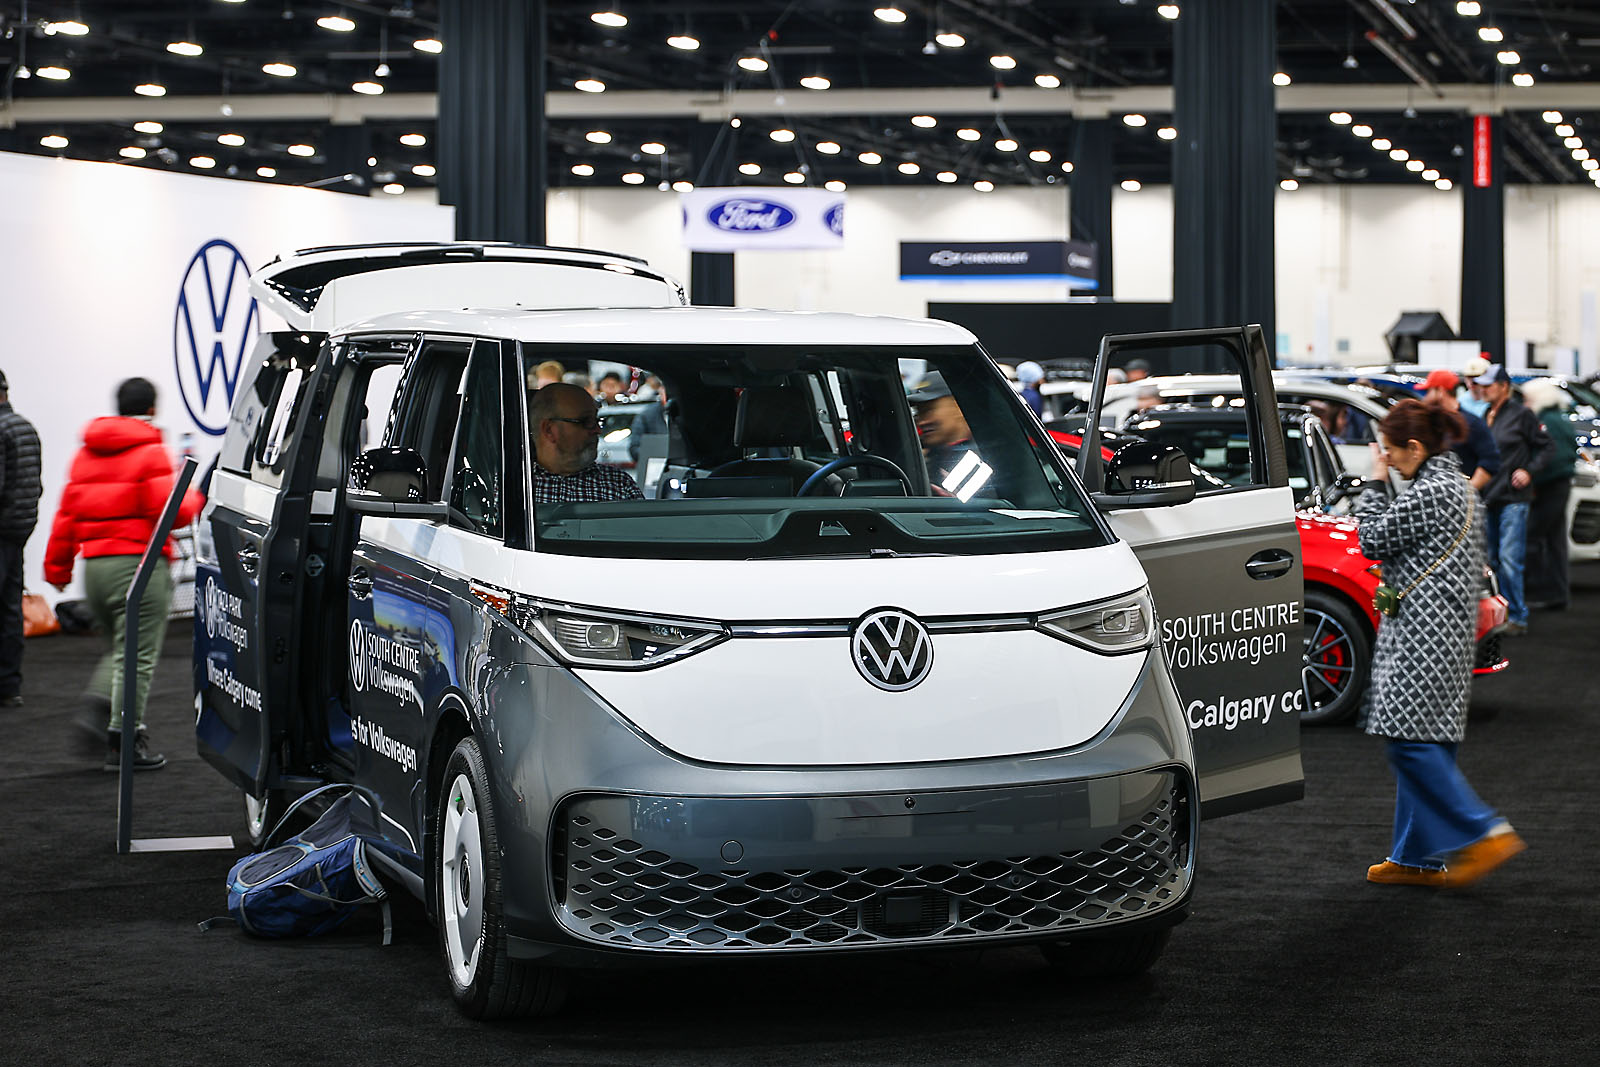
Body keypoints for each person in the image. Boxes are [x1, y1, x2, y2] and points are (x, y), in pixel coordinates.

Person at [1356, 399, 1525, 888]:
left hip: (1421, 638)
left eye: (1392, 452)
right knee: (1429, 740)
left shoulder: (1433, 491)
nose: (1387, 460)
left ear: (1415, 447)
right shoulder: (1459, 487)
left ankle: (1483, 831)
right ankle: (1416, 858)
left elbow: (1372, 538)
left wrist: (1373, 483)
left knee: (1409, 744)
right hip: (1446, 634)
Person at [43, 378, 203, 771]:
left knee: (120, 651)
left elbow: (66, 516)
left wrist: (57, 568)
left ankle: (101, 706)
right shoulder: (150, 450)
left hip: (95, 570)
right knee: (138, 656)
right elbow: (172, 512)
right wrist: (196, 494)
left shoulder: (85, 454)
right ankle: (123, 741)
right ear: (151, 409)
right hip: (138, 567)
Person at [1476, 364, 1552, 635]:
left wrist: (1529, 471)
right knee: (1494, 560)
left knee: (1509, 560)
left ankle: (1517, 616)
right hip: (1491, 497)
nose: (1483, 389)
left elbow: (1546, 447)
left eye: (1489, 384)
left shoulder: (1522, 415)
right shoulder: (1487, 414)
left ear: (1504, 387)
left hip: (1513, 499)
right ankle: (1503, 616)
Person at [0, 368, 43, 709]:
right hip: (18, 530)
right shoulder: (25, 426)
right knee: (11, 608)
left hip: (2, 530)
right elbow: (34, 485)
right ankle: (9, 684)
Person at [529, 383, 643, 504]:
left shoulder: (620, 485)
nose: (597, 430)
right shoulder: (516, 487)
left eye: (596, 420)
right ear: (549, 429)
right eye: (586, 421)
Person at [1522, 379, 1578, 611]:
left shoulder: (1547, 422)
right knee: (1555, 542)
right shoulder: (1559, 419)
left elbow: (1551, 459)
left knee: (1533, 537)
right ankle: (1557, 594)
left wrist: (1532, 479)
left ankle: (1539, 590)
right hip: (1559, 486)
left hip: (1550, 487)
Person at [1422, 368, 1499, 492]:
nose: (1425, 398)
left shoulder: (1471, 424)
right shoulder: (1431, 424)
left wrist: (1466, 493)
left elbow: (1491, 461)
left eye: (1428, 391)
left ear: (1440, 391)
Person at [906, 371, 979, 491]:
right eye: (919, 413)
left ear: (958, 407)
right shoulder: (930, 458)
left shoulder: (981, 457)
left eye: (929, 410)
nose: (922, 422)